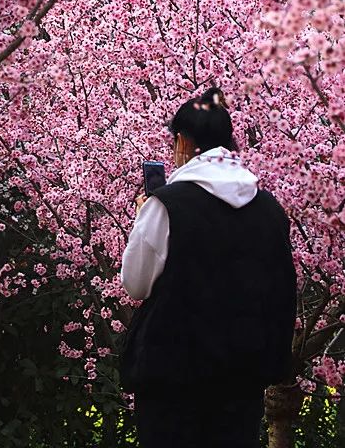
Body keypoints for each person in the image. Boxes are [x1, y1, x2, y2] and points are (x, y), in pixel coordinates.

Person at [120, 87, 297, 448]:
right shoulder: (270, 210)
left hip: (173, 378)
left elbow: (135, 284)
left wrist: (143, 218)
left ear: (183, 142)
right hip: (242, 378)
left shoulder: (167, 206)